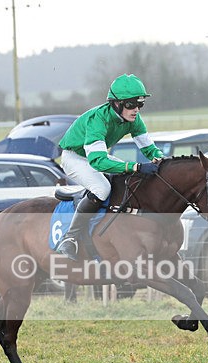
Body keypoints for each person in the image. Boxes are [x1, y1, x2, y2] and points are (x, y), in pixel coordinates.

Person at [55, 74, 164, 261]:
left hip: (94, 156)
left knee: (128, 180)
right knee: (102, 188)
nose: (136, 110)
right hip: (74, 158)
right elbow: (97, 161)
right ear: (116, 103)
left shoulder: (134, 120)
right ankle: (70, 237)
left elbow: (149, 149)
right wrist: (136, 166)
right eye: (131, 104)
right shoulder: (98, 120)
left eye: (140, 104)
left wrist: (164, 162)